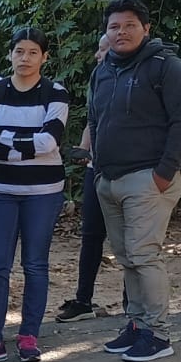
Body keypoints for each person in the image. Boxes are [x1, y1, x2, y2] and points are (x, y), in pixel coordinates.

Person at [87, 0, 181, 362]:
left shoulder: (167, 67)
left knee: (144, 256)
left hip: (148, 179)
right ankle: (137, 325)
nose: (121, 32)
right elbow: (95, 119)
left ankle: (159, 333)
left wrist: (164, 173)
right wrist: (99, 169)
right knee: (127, 258)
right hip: (110, 180)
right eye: (114, 26)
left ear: (146, 29)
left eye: (130, 25)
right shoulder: (103, 70)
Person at [0, 28, 71, 362]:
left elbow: (48, 143)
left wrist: (3, 141)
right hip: (0, 192)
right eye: (19, 51)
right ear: (9, 55)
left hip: (43, 193)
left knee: (35, 265)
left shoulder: (56, 93)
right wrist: (23, 143)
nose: (25, 59)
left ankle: (28, 336)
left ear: (44, 57)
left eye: (33, 52)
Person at [56, 32, 114, 322]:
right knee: (91, 235)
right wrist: (83, 151)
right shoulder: (98, 78)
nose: (97, 55)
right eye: (98, 49)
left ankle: (134, 303)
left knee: (129, 240)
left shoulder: (136, 77)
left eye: (103, 49)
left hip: (127, 172)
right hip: (96, 170)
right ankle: (83, 300)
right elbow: (93, 120)